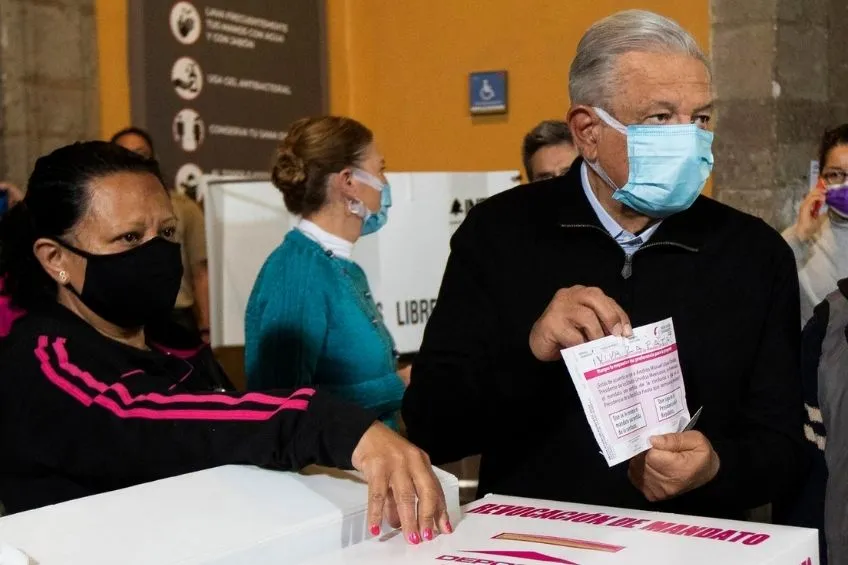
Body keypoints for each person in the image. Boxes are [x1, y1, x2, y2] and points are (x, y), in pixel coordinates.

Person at [404, 10, 805, 520]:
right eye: (660, 118)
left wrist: (717, 469)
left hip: (690, 548)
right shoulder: (498, 234)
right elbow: (433, 426)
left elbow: (784, 447)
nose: (688, 140)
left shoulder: (754, 252)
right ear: (587, 130)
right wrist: (531, 353)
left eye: (700, 119)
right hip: (539, 544)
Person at [0, 141, 451, 545]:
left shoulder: (172, 341)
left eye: (167, 233)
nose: (156, 253)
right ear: (55, 258)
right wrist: (332, 423)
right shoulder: (44, 361)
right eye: (130, 238)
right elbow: (149, 418)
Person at [245, 116, 408, 430]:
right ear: (349, 182)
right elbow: (285, 407)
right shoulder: (297, 273)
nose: (385, 184)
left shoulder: (345, 268)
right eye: (380, 169)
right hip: (329, 475)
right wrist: (399, 385)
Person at [110, 127, 211, 341]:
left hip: (176, 318)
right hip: (120, 319)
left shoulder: (184, 208)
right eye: (123, 154)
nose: (133, 161)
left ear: (153, 159)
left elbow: (201, 272)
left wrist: (206, 326)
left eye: (140, 154)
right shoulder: (101, 211)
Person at [782, 124, 848, 327]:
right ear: (821, 182)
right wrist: (799, 237)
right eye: (836, 174)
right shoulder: (798, 240)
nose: (845, 184)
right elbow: (759, 289)